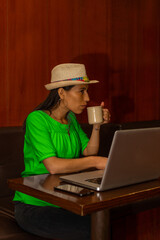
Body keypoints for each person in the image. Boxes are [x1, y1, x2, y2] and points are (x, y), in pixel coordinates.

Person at [13, 63, 111, 240]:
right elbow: (53, 166)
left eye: (87, 91)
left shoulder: (71, 119)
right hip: (35, 204)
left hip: (66, 198)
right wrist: (96, 161)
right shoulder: (36, 119)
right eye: (81, 91)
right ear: (61, 93)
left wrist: (97, 126)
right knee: (94, 230)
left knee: (103, 224)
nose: (87, 98)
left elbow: (89, 150)